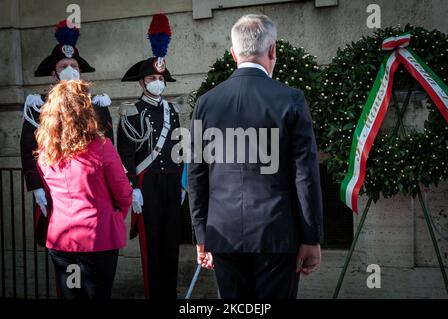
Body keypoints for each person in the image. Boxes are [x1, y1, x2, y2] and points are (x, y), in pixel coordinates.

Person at [188, 14, 324, 299]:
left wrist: (202, 236)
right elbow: (305, 176)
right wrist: (311, 238)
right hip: (276, 235)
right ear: (273, 50)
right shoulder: (291, 99)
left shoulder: (205, 103)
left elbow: (197, 177)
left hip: (223, 233)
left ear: (233, 53)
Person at [35, 80, 132, 300]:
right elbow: (124, 195)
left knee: (73, 295)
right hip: (97, 239)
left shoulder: (45, 152)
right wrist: (113, 217)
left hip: (62, 240)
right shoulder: (103, 147)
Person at [20, 19, 114, 246]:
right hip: (54, 189)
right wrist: (35, 187)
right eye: (63, 67)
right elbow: (28, 147)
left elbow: (109, 148)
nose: (70, 70)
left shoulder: (98, 104)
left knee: (93, 247)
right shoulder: (37, 105)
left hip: (91, 190)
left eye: (74, 66)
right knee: (62, 249)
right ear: (54, 73)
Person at [117, 13, 184, 299]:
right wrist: (132, 188)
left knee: (171, 243)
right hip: (147, 184)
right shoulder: (132, 112)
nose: (157, 82)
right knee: (151, 244)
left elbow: (181, 149)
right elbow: (125, 154)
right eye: (152, 78)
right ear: (142, 83)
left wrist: (182, 183)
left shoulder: (173, 111)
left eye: (160, 78)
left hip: (171, 183)